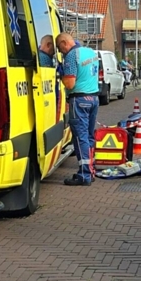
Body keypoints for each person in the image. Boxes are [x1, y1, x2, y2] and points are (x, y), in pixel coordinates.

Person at [57, 33, 100, 186]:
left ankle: (84, 175)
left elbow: (69, 84)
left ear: (64, 43)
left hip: (79, 99)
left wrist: (60, 73)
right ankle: (91, 169)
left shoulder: (71, 55)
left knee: (80, 137)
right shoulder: (90, 52)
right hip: (94, 98)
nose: (61, 52)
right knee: (89, 136)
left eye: (60, 49)